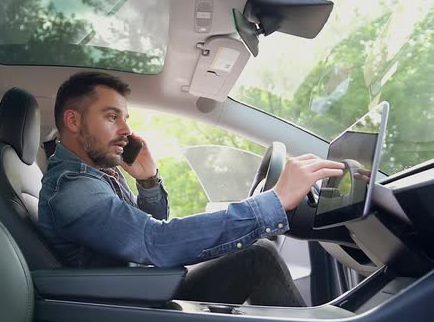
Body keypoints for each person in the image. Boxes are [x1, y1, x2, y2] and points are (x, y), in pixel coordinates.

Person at [37, 72, 345, 307]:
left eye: (125, 118)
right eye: (111, 116)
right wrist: (273, 202)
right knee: (258, 257)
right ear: (74, 121)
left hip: (139, 292)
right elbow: (156, 243)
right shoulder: (72, 189)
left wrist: (148, 181)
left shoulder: (96, 174)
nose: (127, 130)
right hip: (122, 309)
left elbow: (143, 228)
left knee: (256, 253)